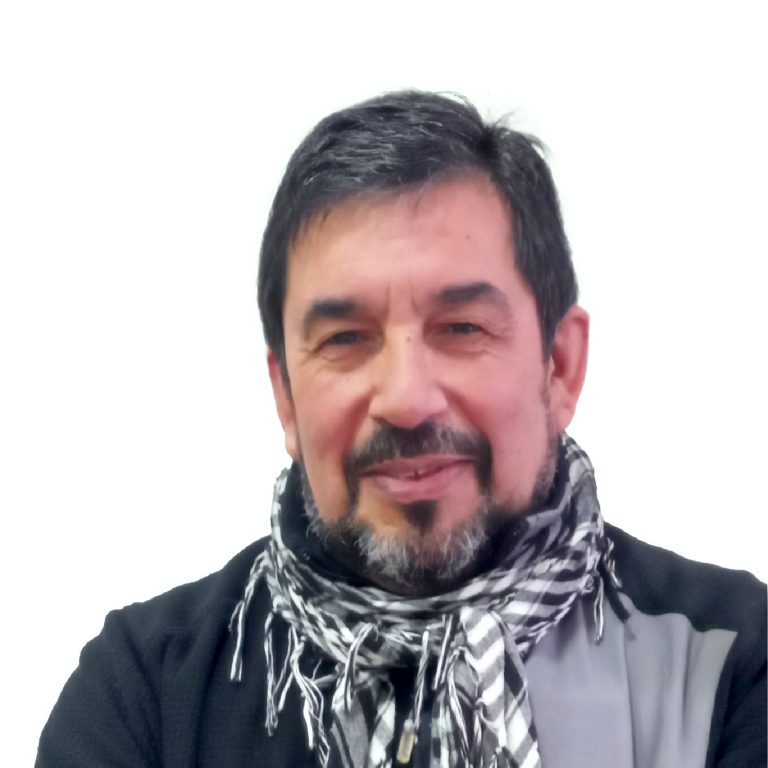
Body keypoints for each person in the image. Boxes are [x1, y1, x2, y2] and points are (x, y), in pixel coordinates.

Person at [36, 91, 766, 768]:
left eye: (462, 328)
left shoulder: (733, 663)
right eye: (346, 339)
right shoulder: (144, 692)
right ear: (285, 397)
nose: (407, 401)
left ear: (561, 368)